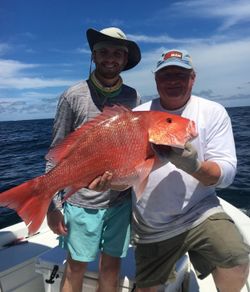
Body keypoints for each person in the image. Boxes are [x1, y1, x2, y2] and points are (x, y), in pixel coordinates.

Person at [131, 49, 250, 292]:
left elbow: (226, 173)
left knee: (237, 259)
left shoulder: (213, 112)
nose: (173, 80)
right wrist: (107, 181)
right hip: (152, 224)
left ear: (193, 78)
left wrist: (194, 166)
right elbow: (126, 176)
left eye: (180, 74)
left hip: (200, 212)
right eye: (166, 75)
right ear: (156, 80)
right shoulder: (138, 116)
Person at [46, 27, 141, 292]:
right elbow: (56, 152)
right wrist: (52, 206)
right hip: (80, 202)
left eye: (117, 53)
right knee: (75, 267)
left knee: (111, 268)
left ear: (125, 60)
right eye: (104, 51)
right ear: (94, 55)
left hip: (120, 203)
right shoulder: (73, 95)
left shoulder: (134, 97)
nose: (110, 58)